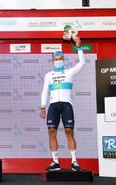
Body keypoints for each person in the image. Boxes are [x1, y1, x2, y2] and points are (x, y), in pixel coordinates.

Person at [40, 36, 84, 172]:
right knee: (51, 132)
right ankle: (55, 162)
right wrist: (42, 106)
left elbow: (82, 63)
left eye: (60, 59)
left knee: (69, 131)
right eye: (56, 59)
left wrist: (79, 47)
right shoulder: (49, 75)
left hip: (66, 105)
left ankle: (74, 161)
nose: (58, 61)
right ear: (53, 61)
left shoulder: (69, 72)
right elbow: (44, 91)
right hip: (53, 105)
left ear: (63, 60)